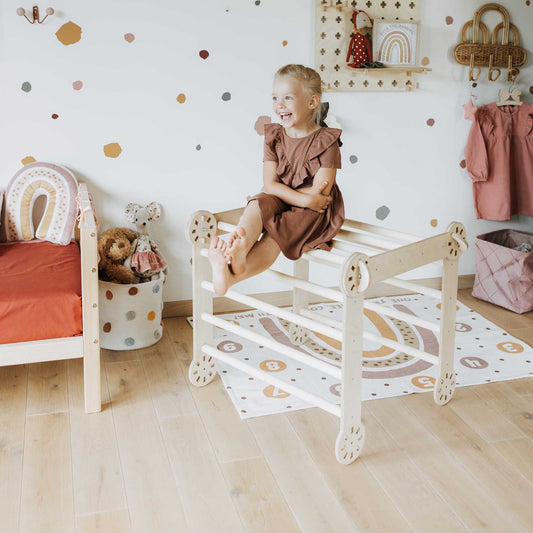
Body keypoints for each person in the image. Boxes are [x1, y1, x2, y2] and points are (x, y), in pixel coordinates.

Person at [208, 64, 344, 296]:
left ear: (312, 102)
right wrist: (302, 199)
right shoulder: (274, 136)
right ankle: (240, 246)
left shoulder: (326, 141)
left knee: (277, 234)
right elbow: (269, 185)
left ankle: (231, 274)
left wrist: (304, 201)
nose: (279, 105)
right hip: (289, 197)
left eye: (287, 98)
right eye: (275, 98)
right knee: (259, 202)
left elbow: (319, 195)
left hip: (313, 212)